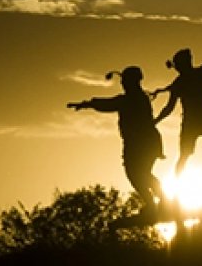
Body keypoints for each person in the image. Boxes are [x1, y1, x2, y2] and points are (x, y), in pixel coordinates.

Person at [67, 66, 166, 217]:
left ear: (132, 81)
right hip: (142, 143)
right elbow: (112, 103)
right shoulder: (137, 98)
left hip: (142, 144)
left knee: (139, 174)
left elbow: (111, 104)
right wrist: (88, 104)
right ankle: (157, 203)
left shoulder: (134, 99)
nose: (122, 84)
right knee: (139, 174)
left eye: (124, 81)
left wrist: (88, 104)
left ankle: (159, 202)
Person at [153, 48, 202, 190]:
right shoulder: (194, 76)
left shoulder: (196, 75)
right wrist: (156, 121)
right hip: (196, 124)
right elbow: (169, 108)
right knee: (187, 157)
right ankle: (177, 193)